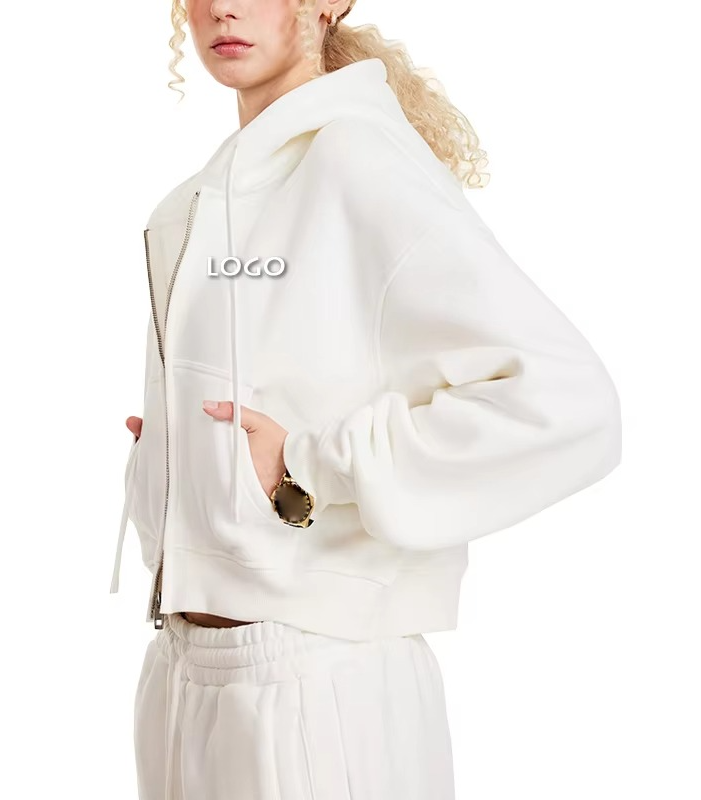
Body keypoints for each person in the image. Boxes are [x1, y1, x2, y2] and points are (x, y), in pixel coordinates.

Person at [108, 1, 623, 797]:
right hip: (184, 673)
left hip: (314, 684)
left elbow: (566, 399)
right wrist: (176, 461)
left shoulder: (356, 159)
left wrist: (306, 463)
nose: (223, 8)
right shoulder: (208, 196)